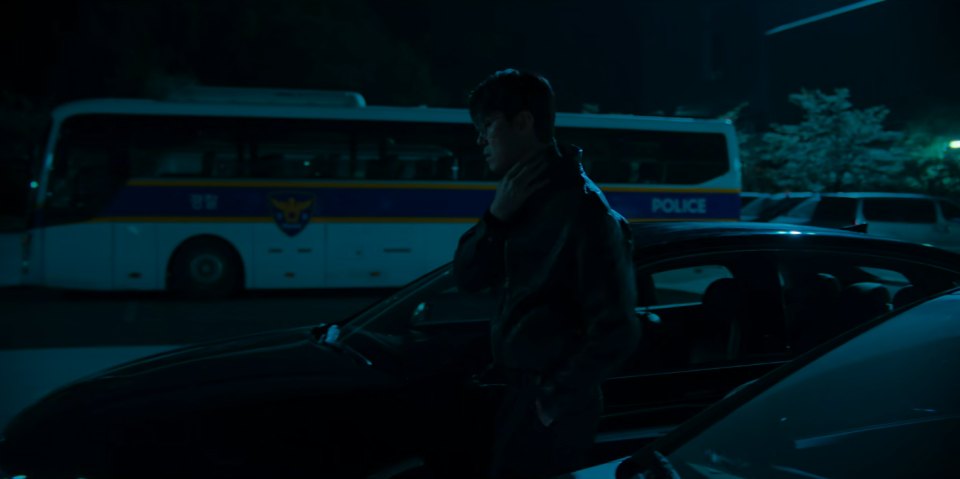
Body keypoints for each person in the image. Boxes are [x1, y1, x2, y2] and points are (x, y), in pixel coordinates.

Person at [454, 69, 641, 478]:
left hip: (548, 403)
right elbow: (467, 277)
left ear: (523, 122)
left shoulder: (583, 208)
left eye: (488, 125)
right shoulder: (518, 199)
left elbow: (617, 327)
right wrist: (496, 218)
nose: (480, 141)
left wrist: (552, 400)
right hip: (521, 393)